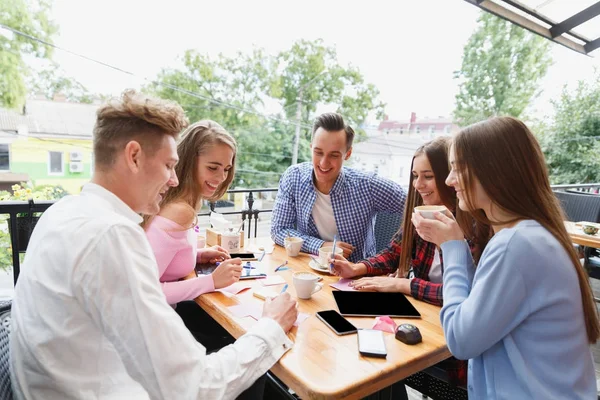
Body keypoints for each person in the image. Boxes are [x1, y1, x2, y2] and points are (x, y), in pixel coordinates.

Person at [10, 90, 298, 400]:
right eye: (168, 165)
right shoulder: (112, 235)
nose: (174, 179)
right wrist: (271, 327)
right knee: (255, 378)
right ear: (134, 156)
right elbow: (193, 387)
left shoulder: (62, 211)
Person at [412, 116, 599, 399]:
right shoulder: (530, 235)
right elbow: (480, 305)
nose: (449, 181)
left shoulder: (516, 245)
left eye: (458, 169)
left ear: (493, 172)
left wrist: (452, 248)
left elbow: (460, 339)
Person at [331, 136, 477, 388]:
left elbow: (466, 297)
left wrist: (405, 285)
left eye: (428, 176)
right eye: (415, 175)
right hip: (422, 320)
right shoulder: (421, 213)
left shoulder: (474, 226)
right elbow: (392, 253)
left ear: (448, 176)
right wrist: (357, 268)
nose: (418, 184)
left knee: (372, 364)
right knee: (364, 353)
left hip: (454, 346)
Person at [271, 112, 407, 262]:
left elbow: (414, 205)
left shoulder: (367, 185)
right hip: (308, 269)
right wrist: (322, 246)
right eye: (318, 152)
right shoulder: (293, 177)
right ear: (311, 148)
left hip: (356, 276)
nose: (323, 163)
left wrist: (400, 259)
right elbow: (279, 230)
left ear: (347, 154)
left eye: (334, 155)